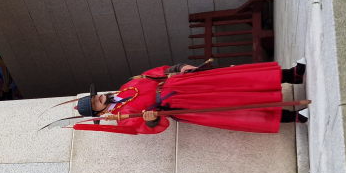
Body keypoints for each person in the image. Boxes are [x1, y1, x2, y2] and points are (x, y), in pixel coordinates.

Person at [72, 61, 307, 135]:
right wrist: (152, 118)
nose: (100, 98)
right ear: (99, 114)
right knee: (237, 107)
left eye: (95, 96)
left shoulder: (126, 86)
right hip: (183, 105)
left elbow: (156, 73)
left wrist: (180, 67)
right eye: (96, 103)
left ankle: (291, 75)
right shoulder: (124, 119)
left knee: (238, 79)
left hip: (185, 83)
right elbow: (154, 126)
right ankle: (294, 116)